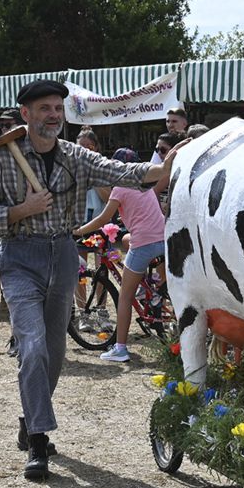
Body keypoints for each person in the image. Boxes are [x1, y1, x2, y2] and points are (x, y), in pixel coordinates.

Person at [0, 79, 178, 480]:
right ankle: (38, 441)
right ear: (26, 115)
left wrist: (163, 169)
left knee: (54, 352)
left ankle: (30, 417)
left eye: (57, 108)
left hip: (63, 256)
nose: (53, 115)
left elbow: (120, 171)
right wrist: (20, 210)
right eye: (45, 108)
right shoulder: (1, 160)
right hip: (19, 257)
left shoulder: (74, 156)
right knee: (31, 346)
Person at [91, 148, 167, 365]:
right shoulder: (146, 184)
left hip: (144, 242)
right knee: (127, 243)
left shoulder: (121, 187)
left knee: (125, 297)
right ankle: (150, 291)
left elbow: (104, 217)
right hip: (162, 239)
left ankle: (120, 348)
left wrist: (79, 231)